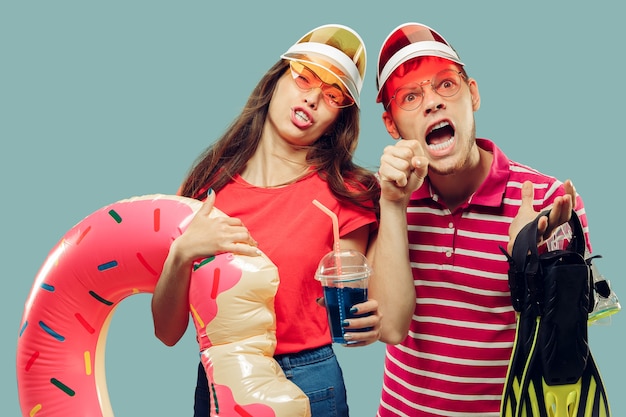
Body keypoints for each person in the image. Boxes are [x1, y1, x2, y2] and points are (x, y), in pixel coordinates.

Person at [151, 24, 382, 417]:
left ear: (338, 119)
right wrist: (180, 254)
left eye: (332, 96)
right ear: (276, 80)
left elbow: (357, 305)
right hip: (220, 374)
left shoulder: (347, 191)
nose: (311, 98)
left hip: (309, 378)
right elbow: (166, 332)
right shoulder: (207, 186)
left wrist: (370, 314)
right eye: (304, 77)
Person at [370, 22, 592, 416]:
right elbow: (389, 328)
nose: (433, 103)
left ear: (472, 94)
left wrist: (530, 265)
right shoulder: (385, 198)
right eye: (410, 96)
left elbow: (571, 348)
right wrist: (392, 204)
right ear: (391, 125)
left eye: (445, 85)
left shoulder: (548, 200)